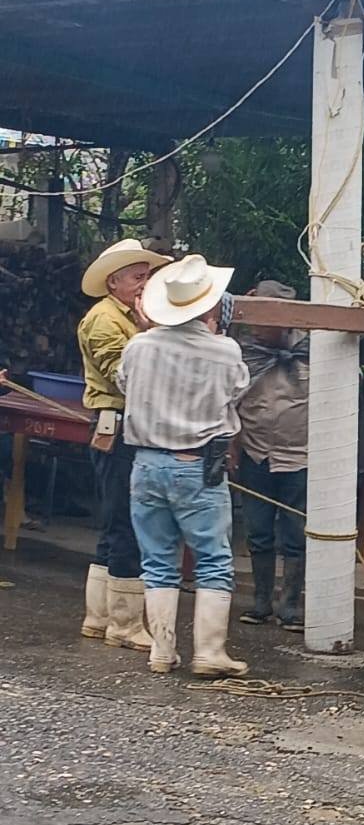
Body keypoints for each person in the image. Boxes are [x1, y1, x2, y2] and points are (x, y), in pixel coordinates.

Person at [117, 253, 250, 677]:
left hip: (146, 465)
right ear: (209, 305)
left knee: (157, 560)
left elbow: (123, 383)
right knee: (212, 558)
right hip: (197, 467)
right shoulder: (225, 351)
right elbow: (238, 391)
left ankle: (161, 650)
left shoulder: (139, 346)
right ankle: (209, 653)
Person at [76, 238, 171, 650]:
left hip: (122, 425)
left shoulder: (124, 316)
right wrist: (151, 335)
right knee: (128, 523)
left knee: (114, 522)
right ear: (114, 282)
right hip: (117, 425)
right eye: (138, 276)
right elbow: (126, 377)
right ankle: (126, 624)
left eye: (147, 276)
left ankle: (99, 618)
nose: (144, 283)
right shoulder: (105, 320)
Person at [235, 279, 309, 631]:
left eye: (263, 321)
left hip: (300, 457)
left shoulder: (312, 350)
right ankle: (261, 602)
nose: (255, 328)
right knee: (259, 531)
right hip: (256, 453)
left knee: (296, 533)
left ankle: (290, 607)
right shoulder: (242, 351)